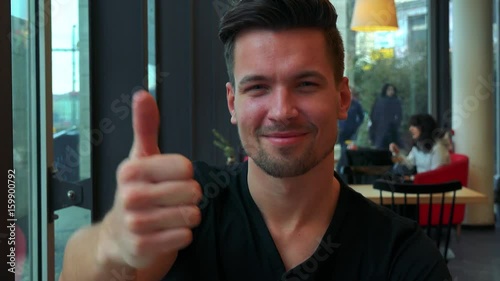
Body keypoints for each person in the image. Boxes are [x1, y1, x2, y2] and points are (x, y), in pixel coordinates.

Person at [59, 1, 452, 280]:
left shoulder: (401, 255)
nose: (281, 110)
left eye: (306, 84)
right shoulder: (184, 207)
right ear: (234, 102)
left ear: (342, 97)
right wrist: (113, 241)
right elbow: (77, 270)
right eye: (258, 87)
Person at [389, 113, 451, 181]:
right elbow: (409, 164)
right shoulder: (418, 145)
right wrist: (397, 153)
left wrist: (411, 178)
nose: (410, 129)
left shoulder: (438, 148)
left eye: (414, 125)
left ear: (425, 128)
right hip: (421, 184)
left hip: (433, 188)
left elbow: (436, 175)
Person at [369, 83, 403, 149]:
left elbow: (399, 116)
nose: (391, 91)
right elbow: (373, 116)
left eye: (392, 90)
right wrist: (372, 134)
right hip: (380, 131)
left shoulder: (396, 101)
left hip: (392, 131)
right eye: (389, 90)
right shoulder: (379, 101)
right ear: (385, 90)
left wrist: (396, 124)